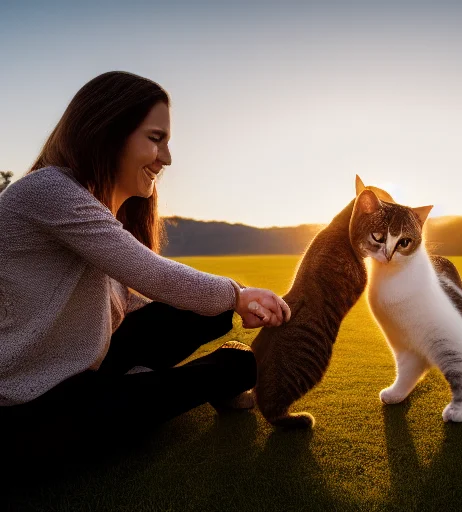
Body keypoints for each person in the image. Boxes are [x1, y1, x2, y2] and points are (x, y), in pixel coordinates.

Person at [0, 71, 290, 452]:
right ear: (108, 132)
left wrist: (222, 302)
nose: (167, 158)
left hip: (83, 364)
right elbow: (151, 273)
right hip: (24, 399)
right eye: (156, 139)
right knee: (234, 365)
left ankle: (139, 385)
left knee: (209, 312)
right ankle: (213, 375)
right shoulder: (49, 189)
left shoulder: (97, 209)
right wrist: (237, 296)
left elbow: (128, 303)